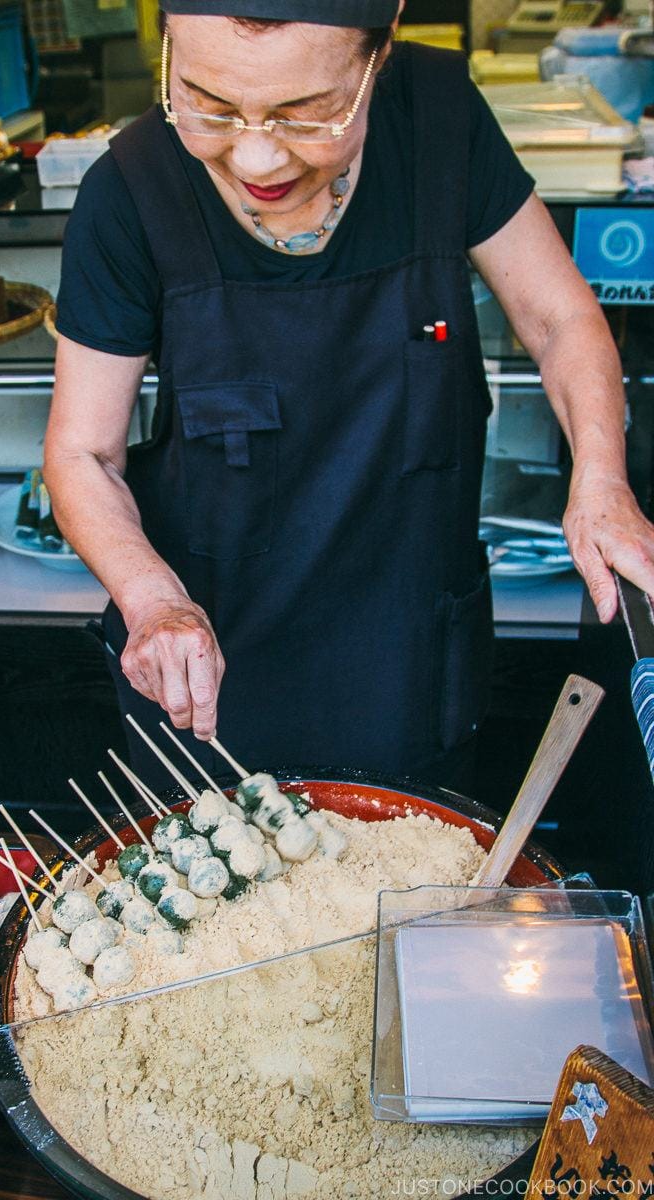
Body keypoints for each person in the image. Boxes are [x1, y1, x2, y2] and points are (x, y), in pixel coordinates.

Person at [45, 0, 654, 792]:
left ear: (380, 53)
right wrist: (153, 600)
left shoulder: (439, 119)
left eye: (307, 115)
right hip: (211, 688)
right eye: (210, 105)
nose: (258, 158)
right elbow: (81, 453)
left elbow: (559, 318)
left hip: (410, 673)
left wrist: (601, 479)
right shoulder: (131, 189)